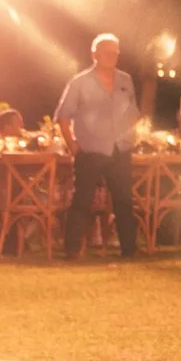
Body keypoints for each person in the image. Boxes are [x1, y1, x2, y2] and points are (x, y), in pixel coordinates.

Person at [54, 34, 143, 260]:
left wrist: (131, 135)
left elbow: (133, 112)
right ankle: (72, 250)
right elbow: (63, 116)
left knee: (124, 200)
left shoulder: (125, 80)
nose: (111, 56)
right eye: (106, 51)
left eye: (115, 52)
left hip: (119, 149)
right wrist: (73, 146)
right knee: (82, 200)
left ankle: (129, 250)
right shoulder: (79, 82)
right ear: (94, 54)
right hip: (90, 150)